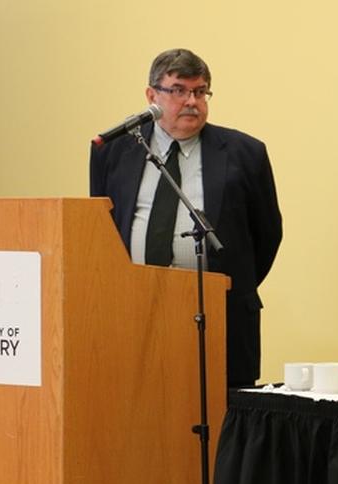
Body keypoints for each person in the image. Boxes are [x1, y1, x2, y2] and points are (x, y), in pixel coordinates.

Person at [90, 48, 282, 388]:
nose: (192, 101)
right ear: (152, 96)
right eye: (178, 90)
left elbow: (267, 235)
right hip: (135, 313)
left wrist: (225, 285)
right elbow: (103, 230)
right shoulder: (114, 151)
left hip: (220, 316)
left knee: (220, 421)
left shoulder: (246, 153)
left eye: (200, 91)